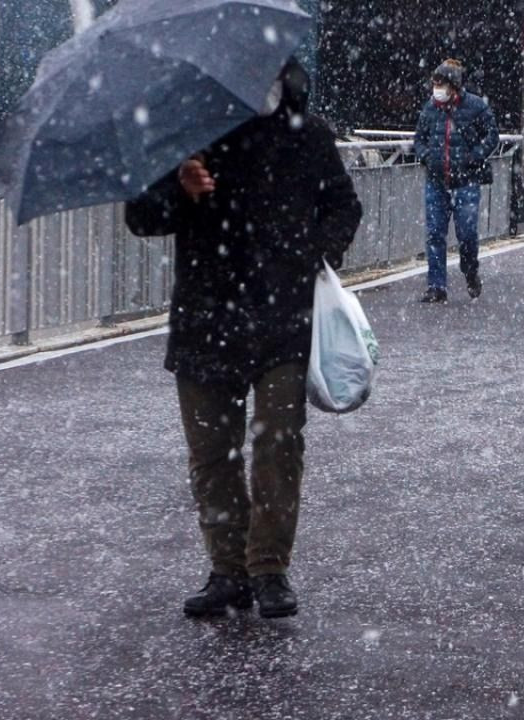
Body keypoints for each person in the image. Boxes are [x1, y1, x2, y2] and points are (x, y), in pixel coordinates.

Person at [125, 59, 362, 619]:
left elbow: (343, 206)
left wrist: (308, 255)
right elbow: (141, 216)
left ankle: (269, 569)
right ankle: (227, 570)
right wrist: (180, 190)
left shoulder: (308, 134)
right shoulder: (190, 134)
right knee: (212, 454)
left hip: (281, 318)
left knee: (279, 443)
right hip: (206, 316)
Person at [412, 59, 500, 303]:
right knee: (435, 234)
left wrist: (476, 156)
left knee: (467, 233)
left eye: (441, 84)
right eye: (435, 83)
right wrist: (427, 156)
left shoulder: (475, 107)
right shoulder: (430, 108)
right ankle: (436, 286)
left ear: (454, 86)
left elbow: (492, 135)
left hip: (466, 181)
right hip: (436, 181)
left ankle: (470, 269)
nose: (436, 88)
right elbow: (419, 139)